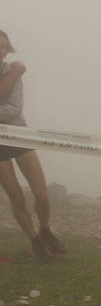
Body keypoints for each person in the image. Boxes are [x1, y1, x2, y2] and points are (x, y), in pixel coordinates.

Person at [0, 29, 66, 263]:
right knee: (16, 198)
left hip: (19, 135)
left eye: (3, 47)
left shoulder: (12, 71)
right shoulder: (15, 71)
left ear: (8, 50)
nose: (0, 51)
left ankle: (46, 230)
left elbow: (15, 109)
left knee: (42, 196)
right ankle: (35, 241)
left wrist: (15, 72)